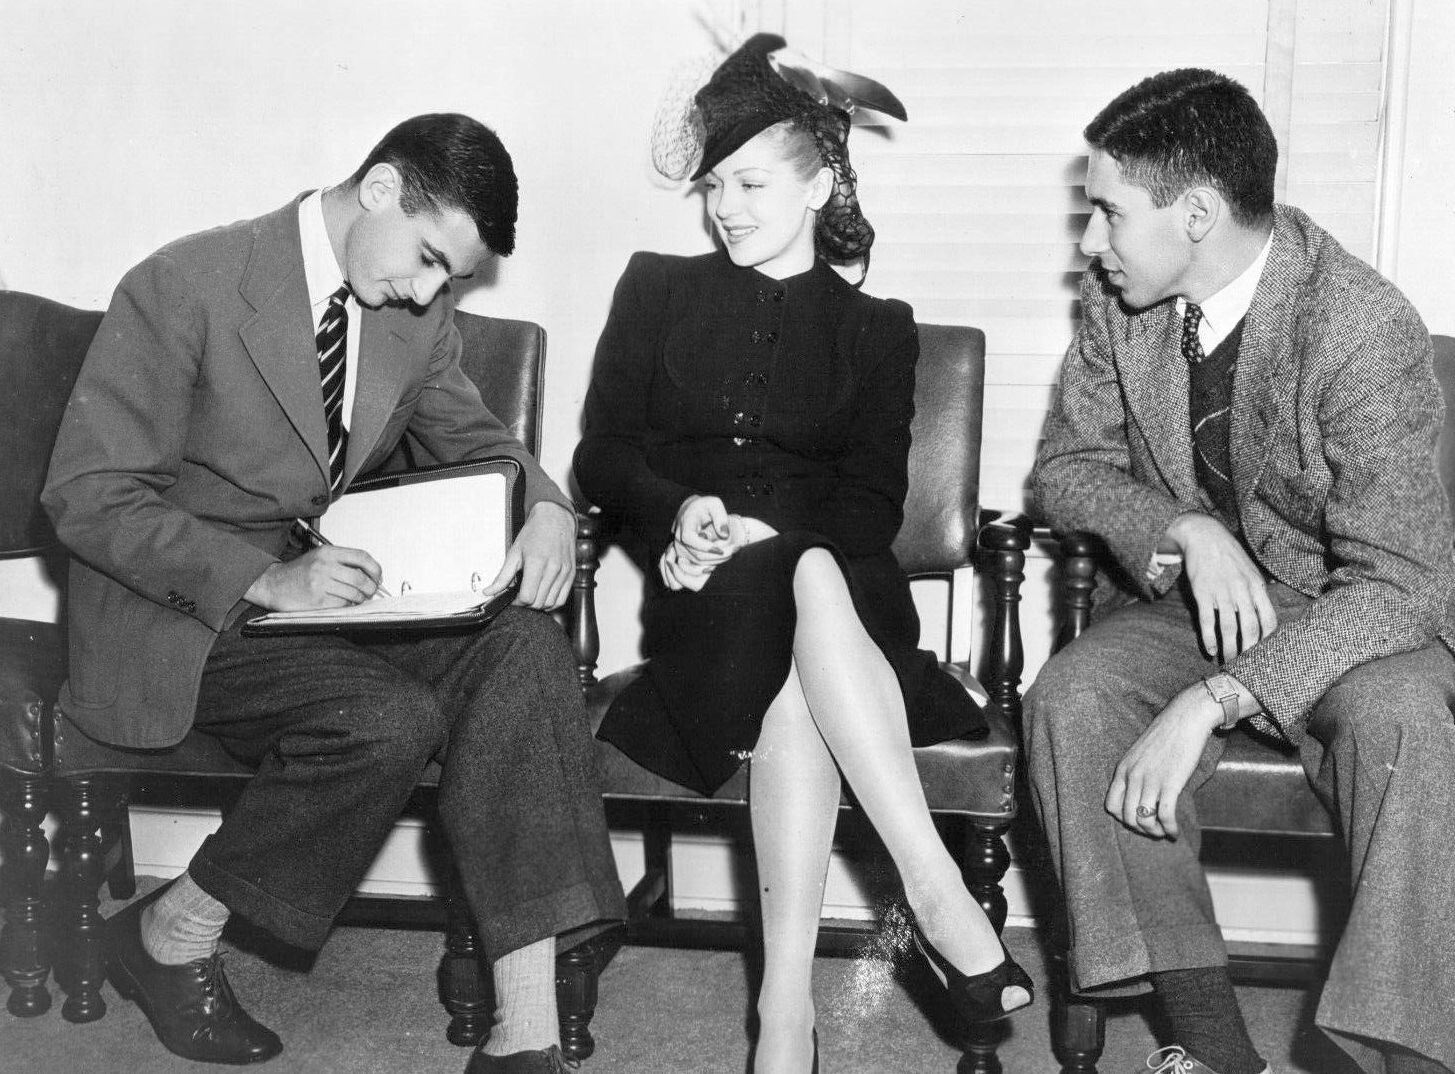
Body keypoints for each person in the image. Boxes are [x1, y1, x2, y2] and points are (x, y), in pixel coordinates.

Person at [42, 113, 624, 1074]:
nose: (429, 293)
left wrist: (548, 506)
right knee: (384, 720)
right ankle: (170, 933)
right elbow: (88, 495)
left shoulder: (409, 311)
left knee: (524, 643)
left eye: (451, 279)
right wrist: (264, 577)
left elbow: (478, 440)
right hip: (176, 610)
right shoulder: (184, 283)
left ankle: (522, 1035)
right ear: (382, 189)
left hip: (323, 596)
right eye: (428, 259)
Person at [573, 34, 1032, 1074]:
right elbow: (603, 453)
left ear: (820, 183)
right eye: (712, 187)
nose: (724, 208)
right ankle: (932, 892)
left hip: (846, 598)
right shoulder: (655, 289)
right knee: (794, 604)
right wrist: (679, 512)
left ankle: (784, 1016)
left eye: (750, 183)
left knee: (811, 578)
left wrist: (778, 541)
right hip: (705, 600)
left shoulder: (879, 328)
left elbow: (870, 507)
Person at [1025, 68, 1455, 1074]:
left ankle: (1403, 1059)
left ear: (1197, 214)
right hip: (1192, 608)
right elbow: (1064, 470)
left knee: (1406, 723)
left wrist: (1215, 699)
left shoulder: (1360, 327)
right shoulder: (1120, 303)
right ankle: (1213, 1048)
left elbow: (1402, 578)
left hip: (1354, 612)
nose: (1090, 244)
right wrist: (1183, 526)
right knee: (1073, 697)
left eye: (1109, 214)